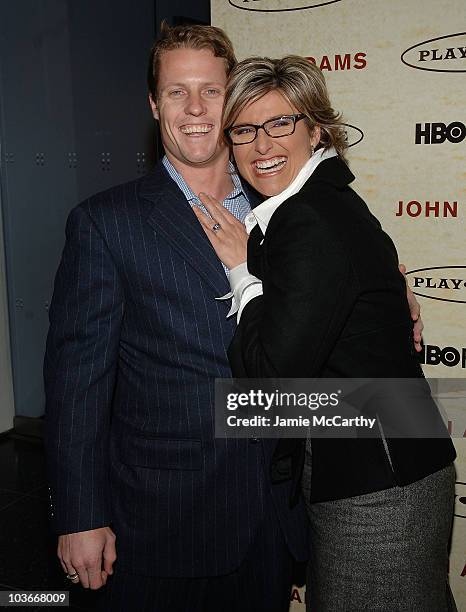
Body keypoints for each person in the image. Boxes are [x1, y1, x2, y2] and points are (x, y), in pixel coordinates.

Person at [44, 24, 312, 612]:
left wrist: (392, 292)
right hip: (165, 521)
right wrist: (80, 513)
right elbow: (77, 383)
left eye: (212, 91)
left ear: (235, 98)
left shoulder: (285, 207)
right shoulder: (106, 224)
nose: (195, 109)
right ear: (153, 103)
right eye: (176, 92)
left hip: (274, 514)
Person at [194, 55, 457, 611]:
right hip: (387, 467)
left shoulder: (309, 218)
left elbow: (270, 386)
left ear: (316, 130)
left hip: (378, 490)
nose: (262, 144)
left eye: (281, 123)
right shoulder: (317, 205)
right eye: (244, 130)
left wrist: (243, 274)